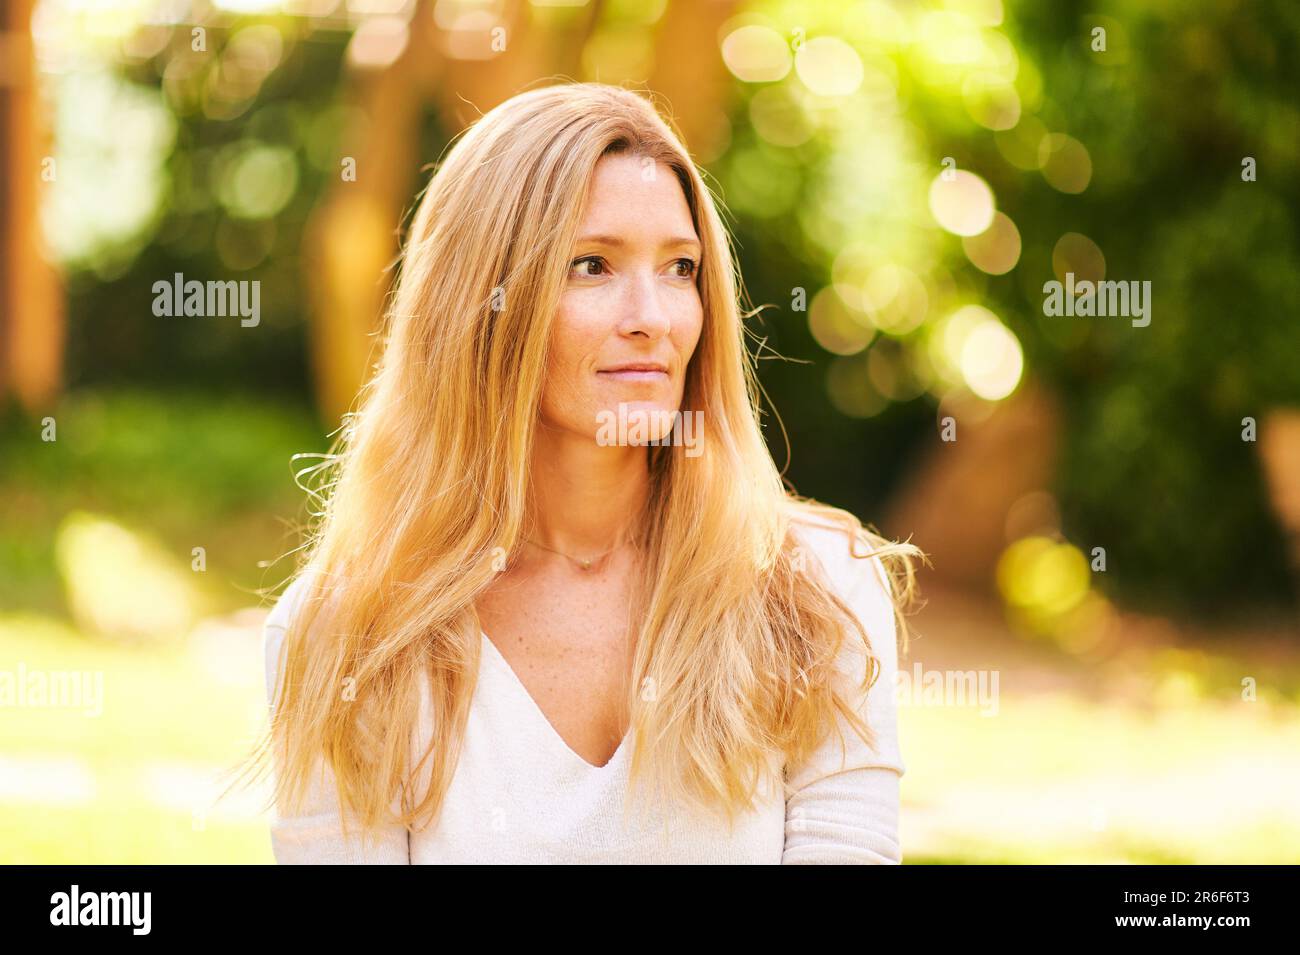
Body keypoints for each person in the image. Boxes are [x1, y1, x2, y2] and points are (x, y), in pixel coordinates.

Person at [254, 81, 922, 864]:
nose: (653, 316)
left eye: (680, 268)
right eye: (592, 265)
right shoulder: (349, 633)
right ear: (480, 302)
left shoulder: (817, 593)